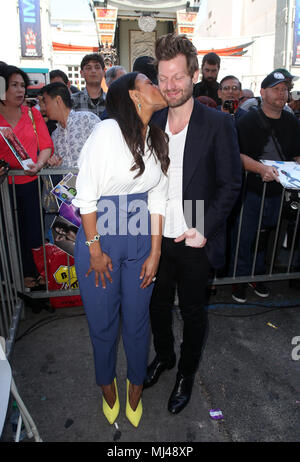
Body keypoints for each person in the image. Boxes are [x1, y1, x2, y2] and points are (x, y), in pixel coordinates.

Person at [143, 34, 242, 414]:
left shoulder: (218, 123)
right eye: (164, 78)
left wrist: (204, 227)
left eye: (178, 77)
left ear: (195, 75)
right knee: (156, 304)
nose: (170, 86)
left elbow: (231, 182)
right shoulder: (152, 120)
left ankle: (186, 372)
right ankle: (165, 356)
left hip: (195, 233)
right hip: (155, 234)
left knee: (193, 311)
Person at [72, 72, 169, 427]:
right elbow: (85, 197)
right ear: (133, 95)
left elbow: (158, 197)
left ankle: (136, 382)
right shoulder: (106, 132)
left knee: (138, 319)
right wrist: (95, 251)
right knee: (103, 322)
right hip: (102, 235)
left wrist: (156, 253)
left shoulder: (156, 136)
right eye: (148, 81)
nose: (157, 84)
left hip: (142, 234)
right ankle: (105, 381)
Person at [230, 70, 300, 303]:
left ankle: (258, 275)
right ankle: (238, 280)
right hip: (251, 191)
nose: (282, 94)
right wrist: (261, 169)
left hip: (280, 192)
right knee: (245, 236)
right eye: (277, 89)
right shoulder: (247, 121)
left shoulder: (292, 122)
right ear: (263, 92)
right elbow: (236, 155)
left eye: (285, 89)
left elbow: (296, 156)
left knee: (269, 236)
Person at [0, 65, 53, 289]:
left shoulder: (33, 114)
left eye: (22, 85)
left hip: (30, 185)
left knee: (33, 233)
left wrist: (39, 163)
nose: (20, 90)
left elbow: (46, 145)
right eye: (14, 85)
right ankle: (14, 280)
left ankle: (38, 278)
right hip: (3, 189)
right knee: (8, 235)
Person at [41, 82, 100, 168]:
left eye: (46, 102)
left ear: (58, 100)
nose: (44, 108)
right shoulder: (55, 135)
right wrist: (56, 166)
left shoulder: (87, 119)